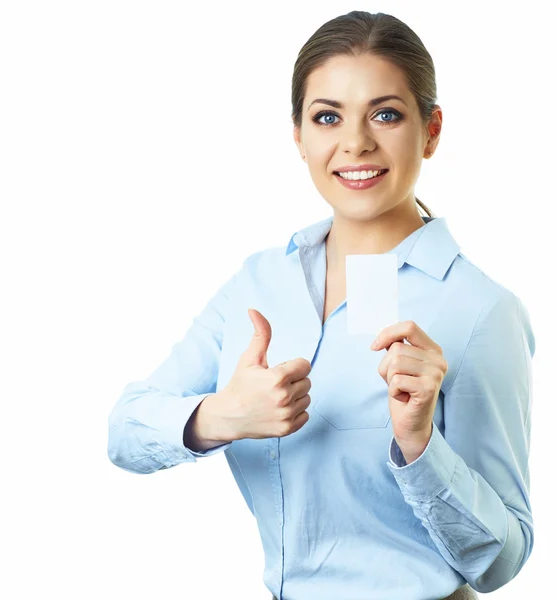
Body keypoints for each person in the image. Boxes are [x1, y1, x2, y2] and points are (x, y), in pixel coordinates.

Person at [107, 10, 534, 600]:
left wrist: (419, 445)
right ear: (298, 136)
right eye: (327, 116)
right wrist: (221, 416)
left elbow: (503, 561)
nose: (355, 142)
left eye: (385, 114)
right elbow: (125, 433)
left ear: (431, 131)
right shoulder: (258, 282)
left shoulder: (480, 311)